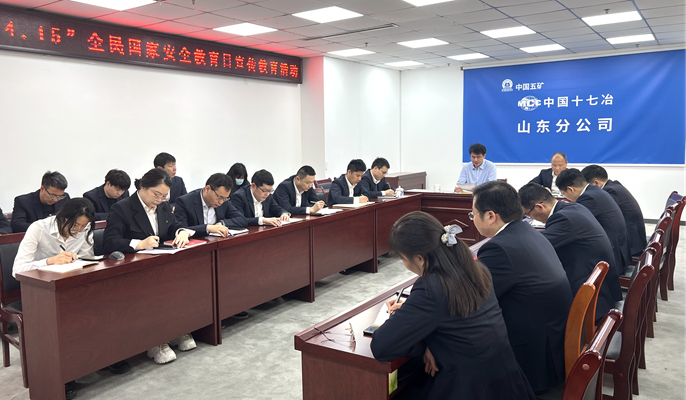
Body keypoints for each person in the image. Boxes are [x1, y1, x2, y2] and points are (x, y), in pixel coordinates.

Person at [371, 211, 535, 400]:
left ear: (420, 258)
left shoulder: (431, 287)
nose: (405, 264)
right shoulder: (477, 270)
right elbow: (457, 319)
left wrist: (421, 341)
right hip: (507, 384)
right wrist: (415, 315)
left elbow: (381, 347)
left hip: (469, 389)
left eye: (403, 258)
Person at [12, 198, 130, 399]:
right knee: (66, 319)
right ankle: (63, 374)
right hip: (39, 294)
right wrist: (49, 261)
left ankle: (103, 356)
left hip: (71, 287)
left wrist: (82, 261)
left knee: (105, 306)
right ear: (62, 217)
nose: (78, 230)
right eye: (75, 225)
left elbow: (87, 259)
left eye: (83, 226)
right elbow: (17, 270)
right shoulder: (38, 229)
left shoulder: (85, 229)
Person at [472, 181, 572, 394]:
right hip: (553, 342)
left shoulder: (499, 248)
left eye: (473, 214)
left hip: (532, 359)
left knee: (455, 342)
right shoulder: (528, 231)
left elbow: (472, 297)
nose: (473, 219)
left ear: (490, 216)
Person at [103, 168, 197, 364]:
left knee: (185, 283)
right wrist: (138, 244)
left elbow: (173, 227)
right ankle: (156, 341)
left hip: (161, 264)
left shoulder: (163, 206)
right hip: (135, 270)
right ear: (143, 187)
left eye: (164, 196)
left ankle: (177, 329)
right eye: (157, 194)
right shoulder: (122, 208)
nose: (160, 199)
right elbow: (109, 242)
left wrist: (182, 232)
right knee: (155, 293)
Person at [518, 183, 621, 320]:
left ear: (539, 207)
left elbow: (537, 247)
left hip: (590, 294)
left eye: (528, 214)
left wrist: (516, 233)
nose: (530, 218)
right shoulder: (573, 207)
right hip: (599, 282)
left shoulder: (563, 218)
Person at [556, 168, 632, 277]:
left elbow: (574, 221)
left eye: (563, 194)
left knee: (565, 256)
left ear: (570, 189)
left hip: (611, 258)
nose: (565, 198)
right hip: (618, 249)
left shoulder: (588, 198)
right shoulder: (595, 191)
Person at [582, 165, 647, 258]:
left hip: (631, 245)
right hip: (634, 239)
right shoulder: (614, 186)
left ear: (596, 183)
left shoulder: (609, 191)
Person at [174, 173, 247, 236]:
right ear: (207, 189)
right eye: (219, 197)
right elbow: (181, 230)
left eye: (225, 198)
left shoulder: (224, 201)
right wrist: (207, 228)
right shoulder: (184, 202)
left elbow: (242, 219)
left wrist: (221, 223)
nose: (221, 202)